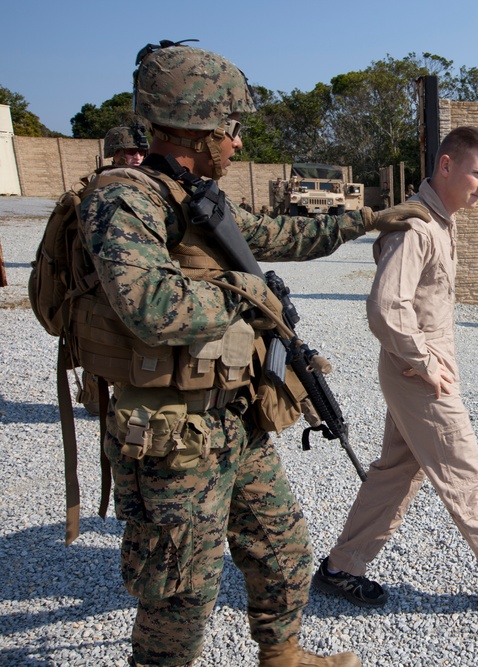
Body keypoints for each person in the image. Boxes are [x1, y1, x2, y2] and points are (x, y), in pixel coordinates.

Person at [77, 41, 428, 667]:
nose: (236, 144)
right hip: (170, 432)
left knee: (282, 545)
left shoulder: (196, 196)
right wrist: (243, 294)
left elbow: (280, 232)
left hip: (232, 419)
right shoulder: (124, 198)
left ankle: (284, 655)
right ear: (196, 125)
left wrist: (370, 219)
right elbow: (152, 309)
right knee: (182, 589)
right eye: (230, 130)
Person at [313, 126, 478, 617]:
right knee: (464, 472)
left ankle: (342, 568)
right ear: (446, 166)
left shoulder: (441, 221)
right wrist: (427, 365)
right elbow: (386, 308)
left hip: (416, 369)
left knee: (396, 473)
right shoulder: (416, 227)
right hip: (419, 375)